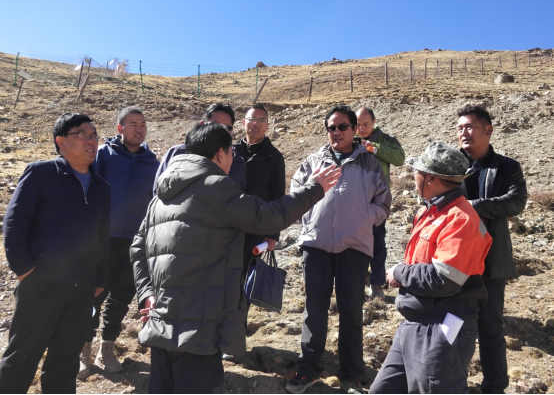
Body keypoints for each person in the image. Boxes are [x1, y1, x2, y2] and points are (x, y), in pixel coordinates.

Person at [131, 123, 342, 394]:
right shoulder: (216, 186)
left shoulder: (161, 193)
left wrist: (146, 293)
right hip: (200, 329)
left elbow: (137, 247)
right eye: (232, 152)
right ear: (221, 153)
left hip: (161, 324)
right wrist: (314, 188)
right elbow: (268, 217)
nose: (233, 159)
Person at [369, 141, 493, 394]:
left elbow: (444, 279)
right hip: (415, 323)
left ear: (432, 178)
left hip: (443, 326)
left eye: (417, 171)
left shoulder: (460, 219)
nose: (413, 175)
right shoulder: (431, 211)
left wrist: (400, 273)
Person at [0, 113, 110, 394]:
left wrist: (99, 279)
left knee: (65, 360)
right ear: (61, 142)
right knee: (21, 357)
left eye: (94, 135)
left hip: (82, 287)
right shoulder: (42, 173)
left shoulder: (101, 186)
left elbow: (102, 237)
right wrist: (25, 271)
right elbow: (14, 223)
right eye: (83, 134)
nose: (92, 141)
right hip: (41, 283)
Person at [286, 105, 392, 395]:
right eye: (331, 128)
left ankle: (352, 376)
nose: (336, 132)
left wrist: (365, 219)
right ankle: (307, 370)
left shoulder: (370, 163)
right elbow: (296, 195)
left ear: (354, 129)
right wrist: (310, 220)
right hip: (316, 245)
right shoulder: (313, 161)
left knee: (351, 311)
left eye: (343, 126)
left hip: (354, 248)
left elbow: (384, 202)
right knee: (314, 310)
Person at [77, 107, 160, 379]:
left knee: (122, 296)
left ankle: (107, 347)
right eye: (133, 124)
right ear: (120, 128)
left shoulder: (152, 163)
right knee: (94, 294)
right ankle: (83, 348)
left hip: (136, 242)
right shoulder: (103, 155)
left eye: (143, 124)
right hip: (103, 239)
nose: (140, 129)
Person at [457, 105, 527, 394]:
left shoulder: (507, 167)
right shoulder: (450, 164)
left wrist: (472, 207)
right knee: (452, 323)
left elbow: (517, 201)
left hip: (491, 260)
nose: (464, 132)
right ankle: (449, 382)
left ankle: (495, 387)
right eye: (460, 127)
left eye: (470, 126)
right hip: (454, 260)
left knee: (491, 327)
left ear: (488, 130)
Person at [233, 104, 286, 330]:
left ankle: (237, 333)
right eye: (252, 119)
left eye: (262, 120)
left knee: (245, 280)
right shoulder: (230, 151)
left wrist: (273, 234)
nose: (256, 124)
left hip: (255, 229)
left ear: (267, 126)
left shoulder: (274, 157)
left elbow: (277, 197)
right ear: (243, 122)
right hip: (227, 226)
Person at [356, 106, 405, 302]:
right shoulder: (350, 138)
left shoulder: (387, 140)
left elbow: (399, 158)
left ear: (374, 121)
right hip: (354, 200)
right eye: (358, 125)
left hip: (378, 201)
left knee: (378, 243)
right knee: (354, 243)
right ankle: (357, 282)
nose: (361, 128)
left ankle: (377, 284)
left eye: (366, 124)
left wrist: (374, 148)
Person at [153, 103, 245, 194]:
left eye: (227, 128)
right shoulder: (177, 153)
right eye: (215, 125)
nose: (221, 132)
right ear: (202, 124)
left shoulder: (236, 161)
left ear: (232, 130)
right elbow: (158, 191)